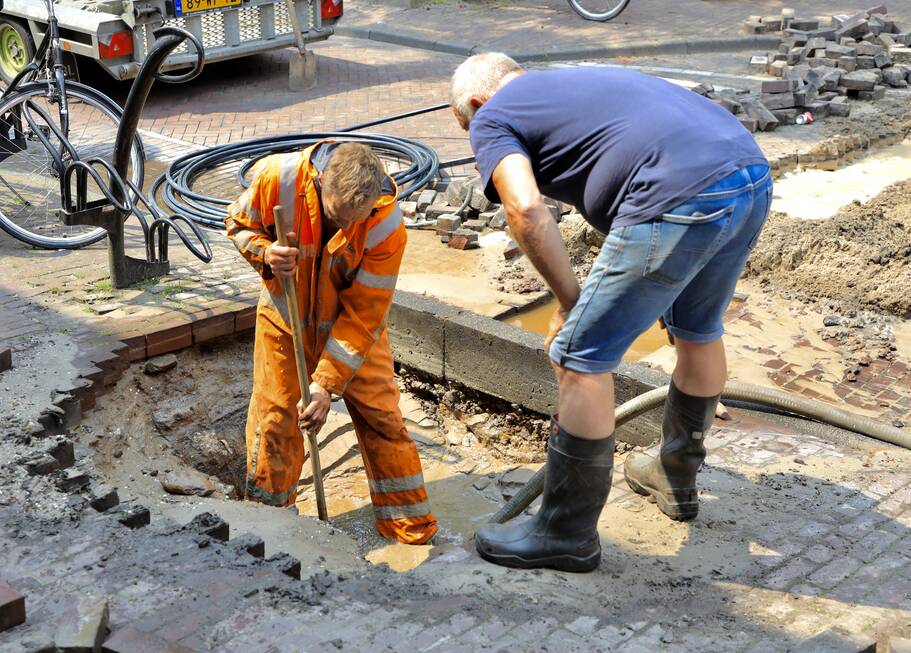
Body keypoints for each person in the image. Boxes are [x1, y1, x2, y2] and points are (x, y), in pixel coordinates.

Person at [450, 54, 772, 572]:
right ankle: (674, 476)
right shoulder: (573, 83)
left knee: (578, 358)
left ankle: (565, 533)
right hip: (748, 174)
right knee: (696, 331)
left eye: (466, 129)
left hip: (679, 193)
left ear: (475, 104)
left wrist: (571, 300)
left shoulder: (492, 114)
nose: (477, 142)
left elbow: (526, 209)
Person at [225, 141, 438, 545]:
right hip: (286, 316)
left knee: (382, 417)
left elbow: (364, 315)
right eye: (336, 217)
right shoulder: (278, 177)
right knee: (276, 420)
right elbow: (237, 224)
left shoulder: (386, 223)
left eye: (352, 223)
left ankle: (408, 527)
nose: (344, 230)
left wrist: (325, 384)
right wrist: (266, 253)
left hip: (352, 323)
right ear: (320, 182)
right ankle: (273, 526)